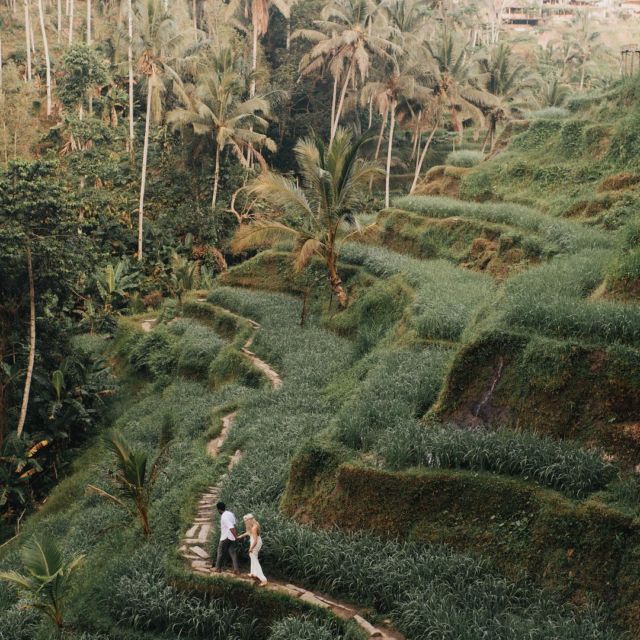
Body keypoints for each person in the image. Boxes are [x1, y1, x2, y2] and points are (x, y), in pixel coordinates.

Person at [238, 513, 267, 585]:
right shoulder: (254, 525)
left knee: (254, 558)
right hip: (256, 542)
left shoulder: (254, 528)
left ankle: (263, 579)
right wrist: (241, 536)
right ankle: (253, 573)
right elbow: (248, 533)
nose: (245, 522)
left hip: (255, 543)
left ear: (250, 520)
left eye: (246, 520)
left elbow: (255, 540)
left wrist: (251, 548)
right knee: (253, 557)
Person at [214, 501, 239, 574]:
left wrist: (236, 536)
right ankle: (236, 569)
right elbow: (234, 524)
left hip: (225, 536)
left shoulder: (224, 516)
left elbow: (231, 527)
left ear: (219, 509)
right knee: (232, 553)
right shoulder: (230, 514)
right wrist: (235, 537)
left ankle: (217, 568)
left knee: (220, 552)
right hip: (231, 537)